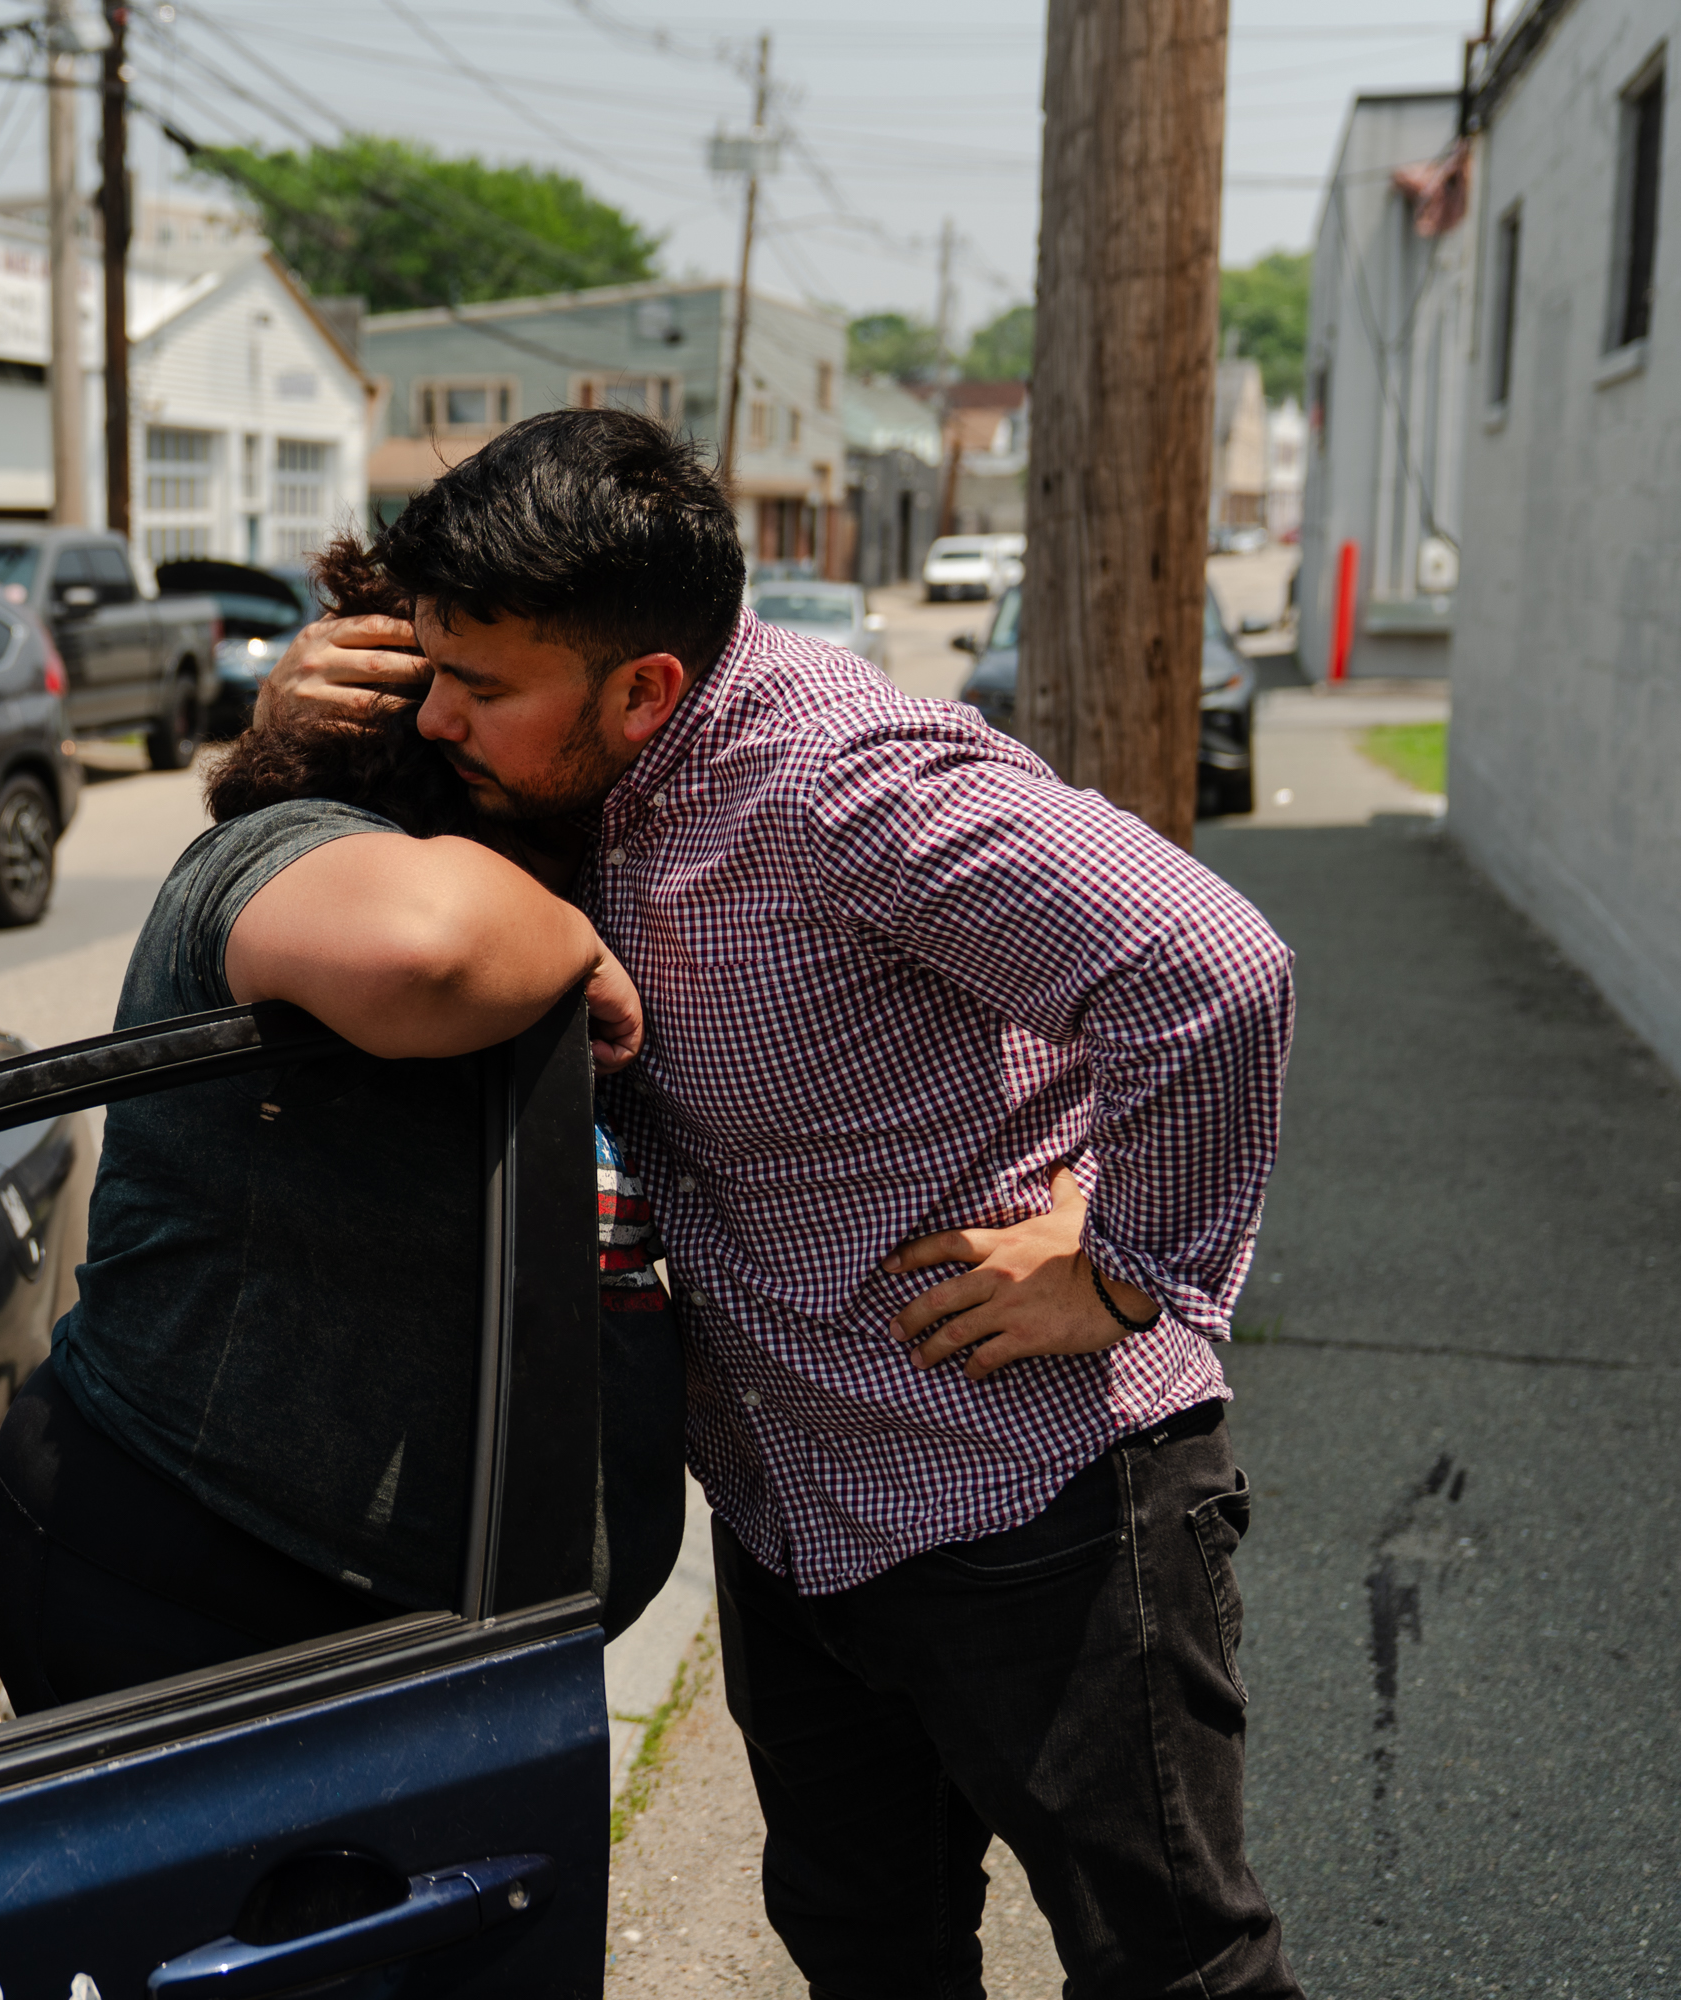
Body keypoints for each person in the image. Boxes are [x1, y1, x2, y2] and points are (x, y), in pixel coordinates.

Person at [261, 409, 1301, 1998]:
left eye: (476, 688)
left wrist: (1126, 1265)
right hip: (791, 1508)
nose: (442, 717)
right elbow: (335, 891)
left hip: (1024, 1491)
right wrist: (288, 726)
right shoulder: (570, 766)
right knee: (865, 1942)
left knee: (1169, 1962)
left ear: (644, 687)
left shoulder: (844, 783)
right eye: (431, 673)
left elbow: (1207, 969)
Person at [0, 539, 687, 1714]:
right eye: (456, 687)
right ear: (427, 728)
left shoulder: (584, 866)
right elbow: (423, 947)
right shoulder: (293, 848)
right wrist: (578, 945)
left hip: (439, 1640)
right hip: (205, 1587)